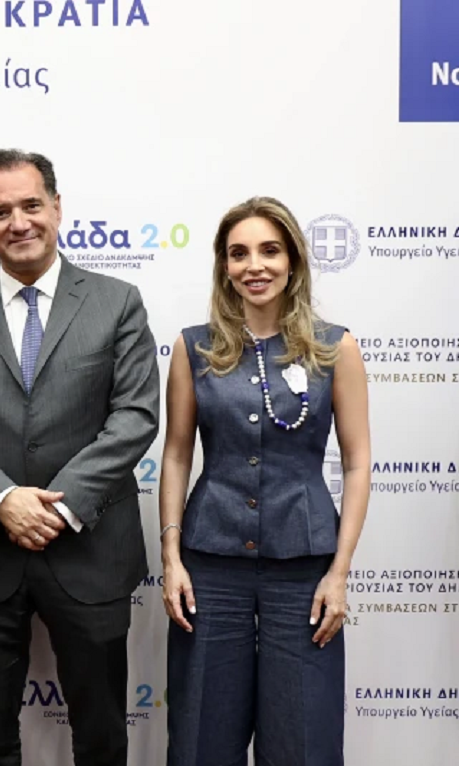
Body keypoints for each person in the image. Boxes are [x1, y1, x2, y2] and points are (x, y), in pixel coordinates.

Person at [0, 149, 160, 766]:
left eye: (31, 205)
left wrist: (59, 505)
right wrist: (3, 499)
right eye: (0, 211)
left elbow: (135, 415)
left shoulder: (117, 301)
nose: (18, 222)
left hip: (90, 548)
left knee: (101, 736)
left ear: (57, 207)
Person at [159, 196, 370, 766]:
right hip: (210, 566)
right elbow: (176, 455)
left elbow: (357, 462)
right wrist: (172, 558)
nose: (254, 265)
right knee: (202, 735)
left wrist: (339, 573)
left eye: (269, 250)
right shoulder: (194, 348)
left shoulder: (335, 347)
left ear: (293, 260)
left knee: (303, 738)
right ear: (224, 266)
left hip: (304, 570)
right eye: (239, 253)